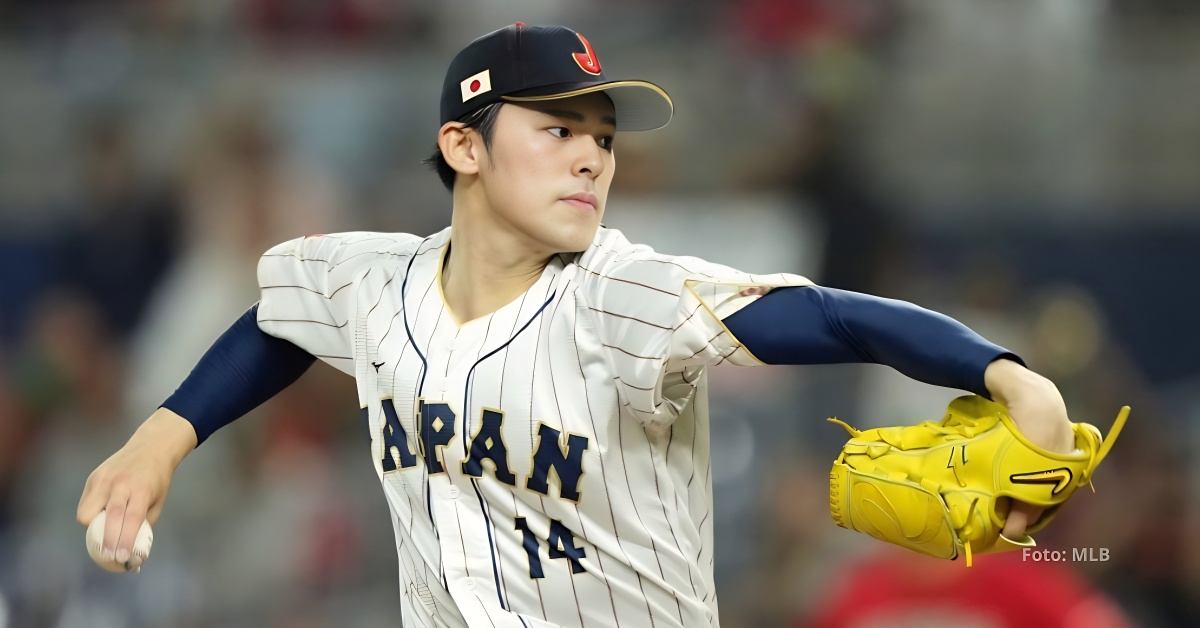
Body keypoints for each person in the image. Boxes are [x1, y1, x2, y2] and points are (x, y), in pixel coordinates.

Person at [77, 23, 1076, 628]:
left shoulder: (622, 293)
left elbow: (815, 313)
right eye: (556, 130)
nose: (591, 156)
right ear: (462, 146)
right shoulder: (372, 280)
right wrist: (162, 439)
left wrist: (1003, 373)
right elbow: (280, 321)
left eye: (600, 135)